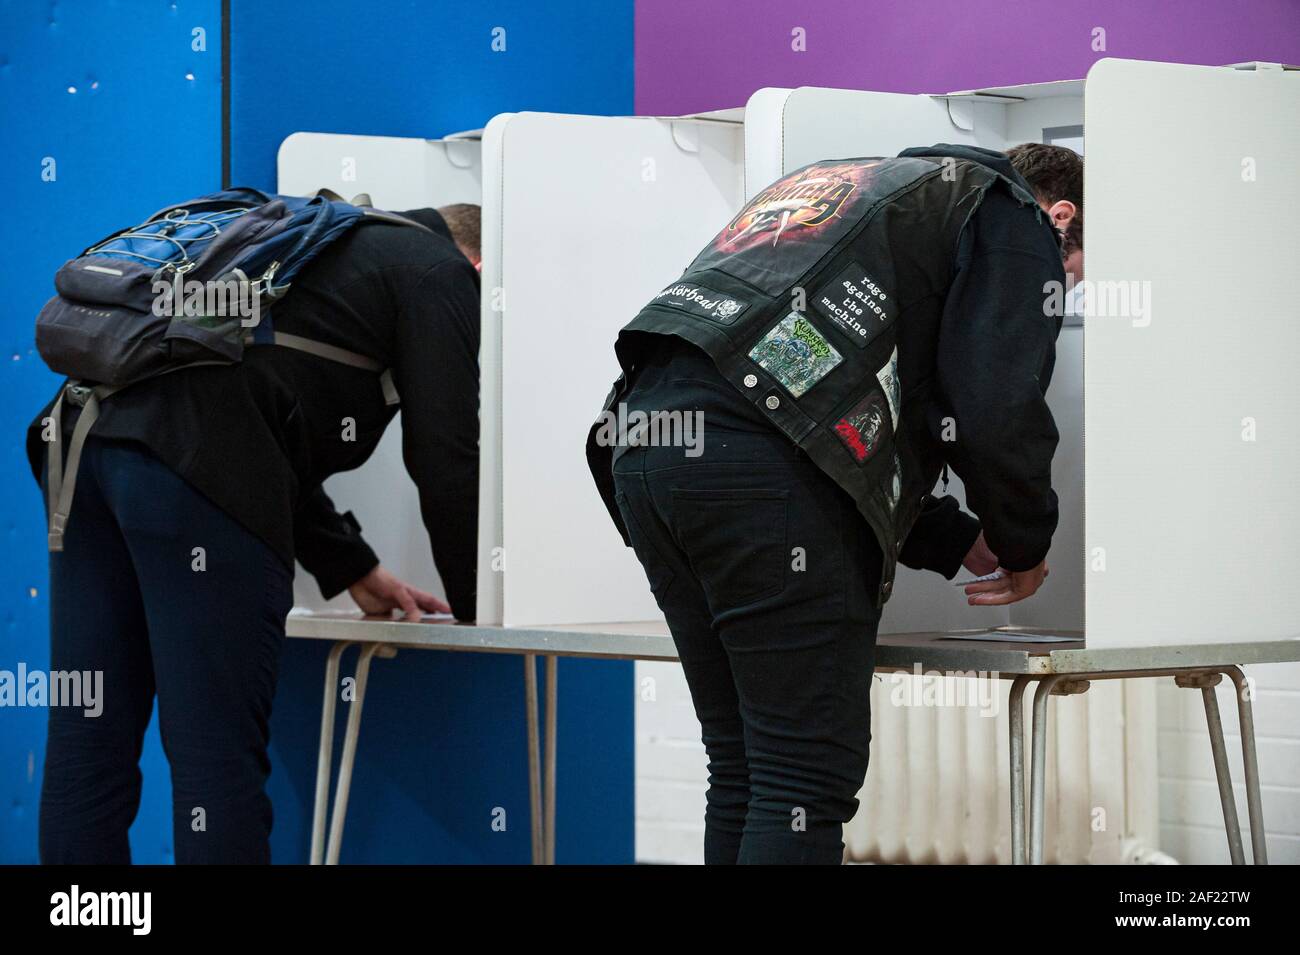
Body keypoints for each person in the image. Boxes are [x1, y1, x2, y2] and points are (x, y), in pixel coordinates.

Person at [587, 143, 1082, 864]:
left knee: (746, 764)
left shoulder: (856, 181)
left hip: (645, 441)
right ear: (1061, 215)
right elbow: (992, 407)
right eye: (1070, 274)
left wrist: (953, 538)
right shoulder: (1008, 211)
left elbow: (854, 398)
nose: (1058, 289)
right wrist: (1026, 541)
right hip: (758, 458)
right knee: (801, 776)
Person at [28, 200, 483, 864]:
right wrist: (483, 613)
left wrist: (353, 566)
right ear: (480, 264)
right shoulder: (440, 272)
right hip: (191, 465)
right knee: (214, 753)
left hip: (78, 444)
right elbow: (447, 461)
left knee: (88, 737)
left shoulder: (320, 236)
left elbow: (256, 400)